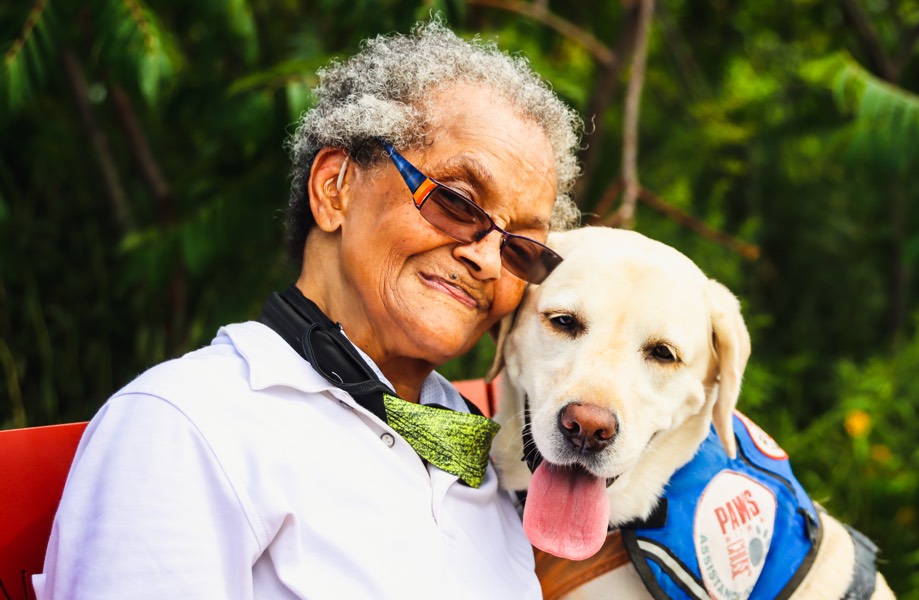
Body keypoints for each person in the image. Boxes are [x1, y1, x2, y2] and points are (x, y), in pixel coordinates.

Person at [34, 20, 582, 599]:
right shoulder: (188, 423)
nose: (489, 262)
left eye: (522, 246)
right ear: (335, 188)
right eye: (456, 201)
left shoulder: (485, 451)